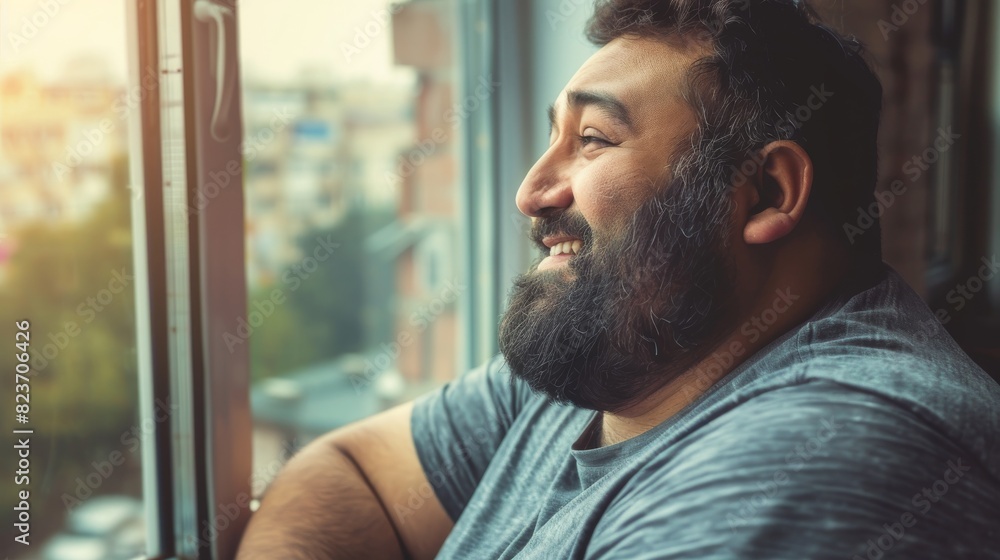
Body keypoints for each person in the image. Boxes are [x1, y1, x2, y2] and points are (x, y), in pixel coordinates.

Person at [237, 0, 1000, 558]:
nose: (531, 191)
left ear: (766, 194)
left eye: (593, 139)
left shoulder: (823, 456)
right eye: (552, 137)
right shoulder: (617, 353)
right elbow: (352, 474)